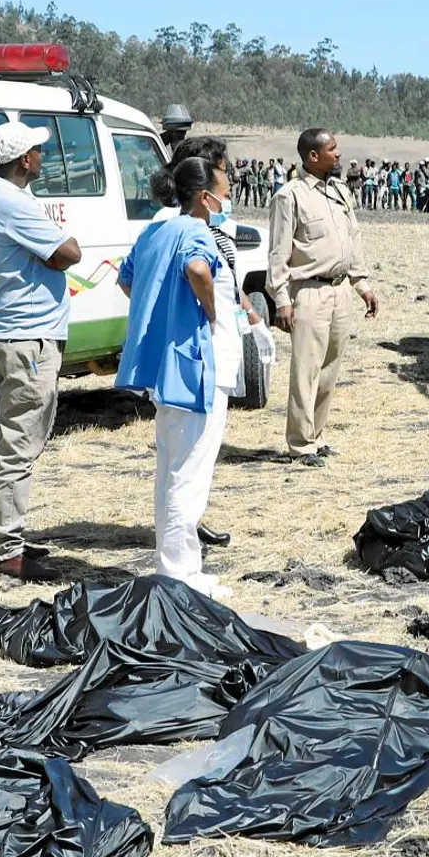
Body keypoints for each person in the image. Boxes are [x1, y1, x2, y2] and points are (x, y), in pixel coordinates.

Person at [119, 155, 232, 596]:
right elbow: (198, 270)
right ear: (204, 198)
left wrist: (160, 309)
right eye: (223, 192)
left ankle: (179, 565)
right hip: (194, 365)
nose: (226, 199)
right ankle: (180, 573)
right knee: (190, 469)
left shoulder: (156, 231)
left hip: (163, 365)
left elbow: (127, 280)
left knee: (170, 466)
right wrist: (208, 310)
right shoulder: (196, 232)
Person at [0, 121, 82, 579]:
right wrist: (55, 249)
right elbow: (69, 252)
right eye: (37, 150)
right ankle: (7, 550)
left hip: (12, 334)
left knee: (9, 444)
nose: (42, 154)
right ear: (24, 160)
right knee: (20, 446)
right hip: (28, 339)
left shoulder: (3, 200)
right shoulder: (11, 204)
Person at [150, 136, 264, 550]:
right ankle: (181, 556)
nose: (230, 184)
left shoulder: (202, 227)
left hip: (207, 350)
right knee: (188, 460)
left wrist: (249, 314)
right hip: (199, 356)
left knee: (183, 460)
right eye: (223, 173)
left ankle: (183, 536)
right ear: (203, 187)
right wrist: (209, 313)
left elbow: (224, 277)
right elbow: (199, 273)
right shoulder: (184, 229)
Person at [268, 128, 380, 458]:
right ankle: (300, 445)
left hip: (340, 290)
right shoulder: (290, 196)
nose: (339, 153)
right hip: (309, 292)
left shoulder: (341, 192)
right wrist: (282, 299)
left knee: (330, 369)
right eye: (332, 149)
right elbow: (278, 253)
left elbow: (352, 240)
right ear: (313, 156)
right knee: (306, 370)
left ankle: (317, 436)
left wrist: (362, 285)